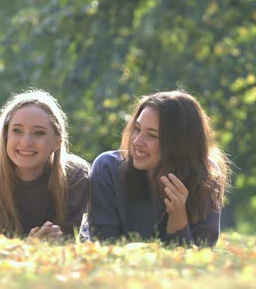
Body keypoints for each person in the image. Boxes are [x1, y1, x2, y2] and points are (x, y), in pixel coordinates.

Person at [82, 90, 230, 247]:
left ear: (179, 144)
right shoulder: (107, 168)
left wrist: (178, 217)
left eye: (152, 135)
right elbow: (105, 245)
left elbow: (199, 258)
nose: (137, 141)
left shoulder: (206, 176)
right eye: (137, 129)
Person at [0, 89, 90, 239]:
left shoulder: (76, 175)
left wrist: (53, 242)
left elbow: (70, 240)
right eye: (17, 131)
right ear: (5, 135)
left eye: (39, 133)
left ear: (57, 142)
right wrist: (30, 245)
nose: (26, 142)